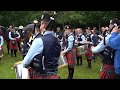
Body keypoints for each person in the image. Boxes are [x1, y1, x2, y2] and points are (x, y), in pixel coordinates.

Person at [22, 14, 61, 79]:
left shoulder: (39, 41)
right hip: (54, 75)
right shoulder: (57, 40)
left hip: (41, 75)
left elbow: (26, 63)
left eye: (41, 24)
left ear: (43, 25)